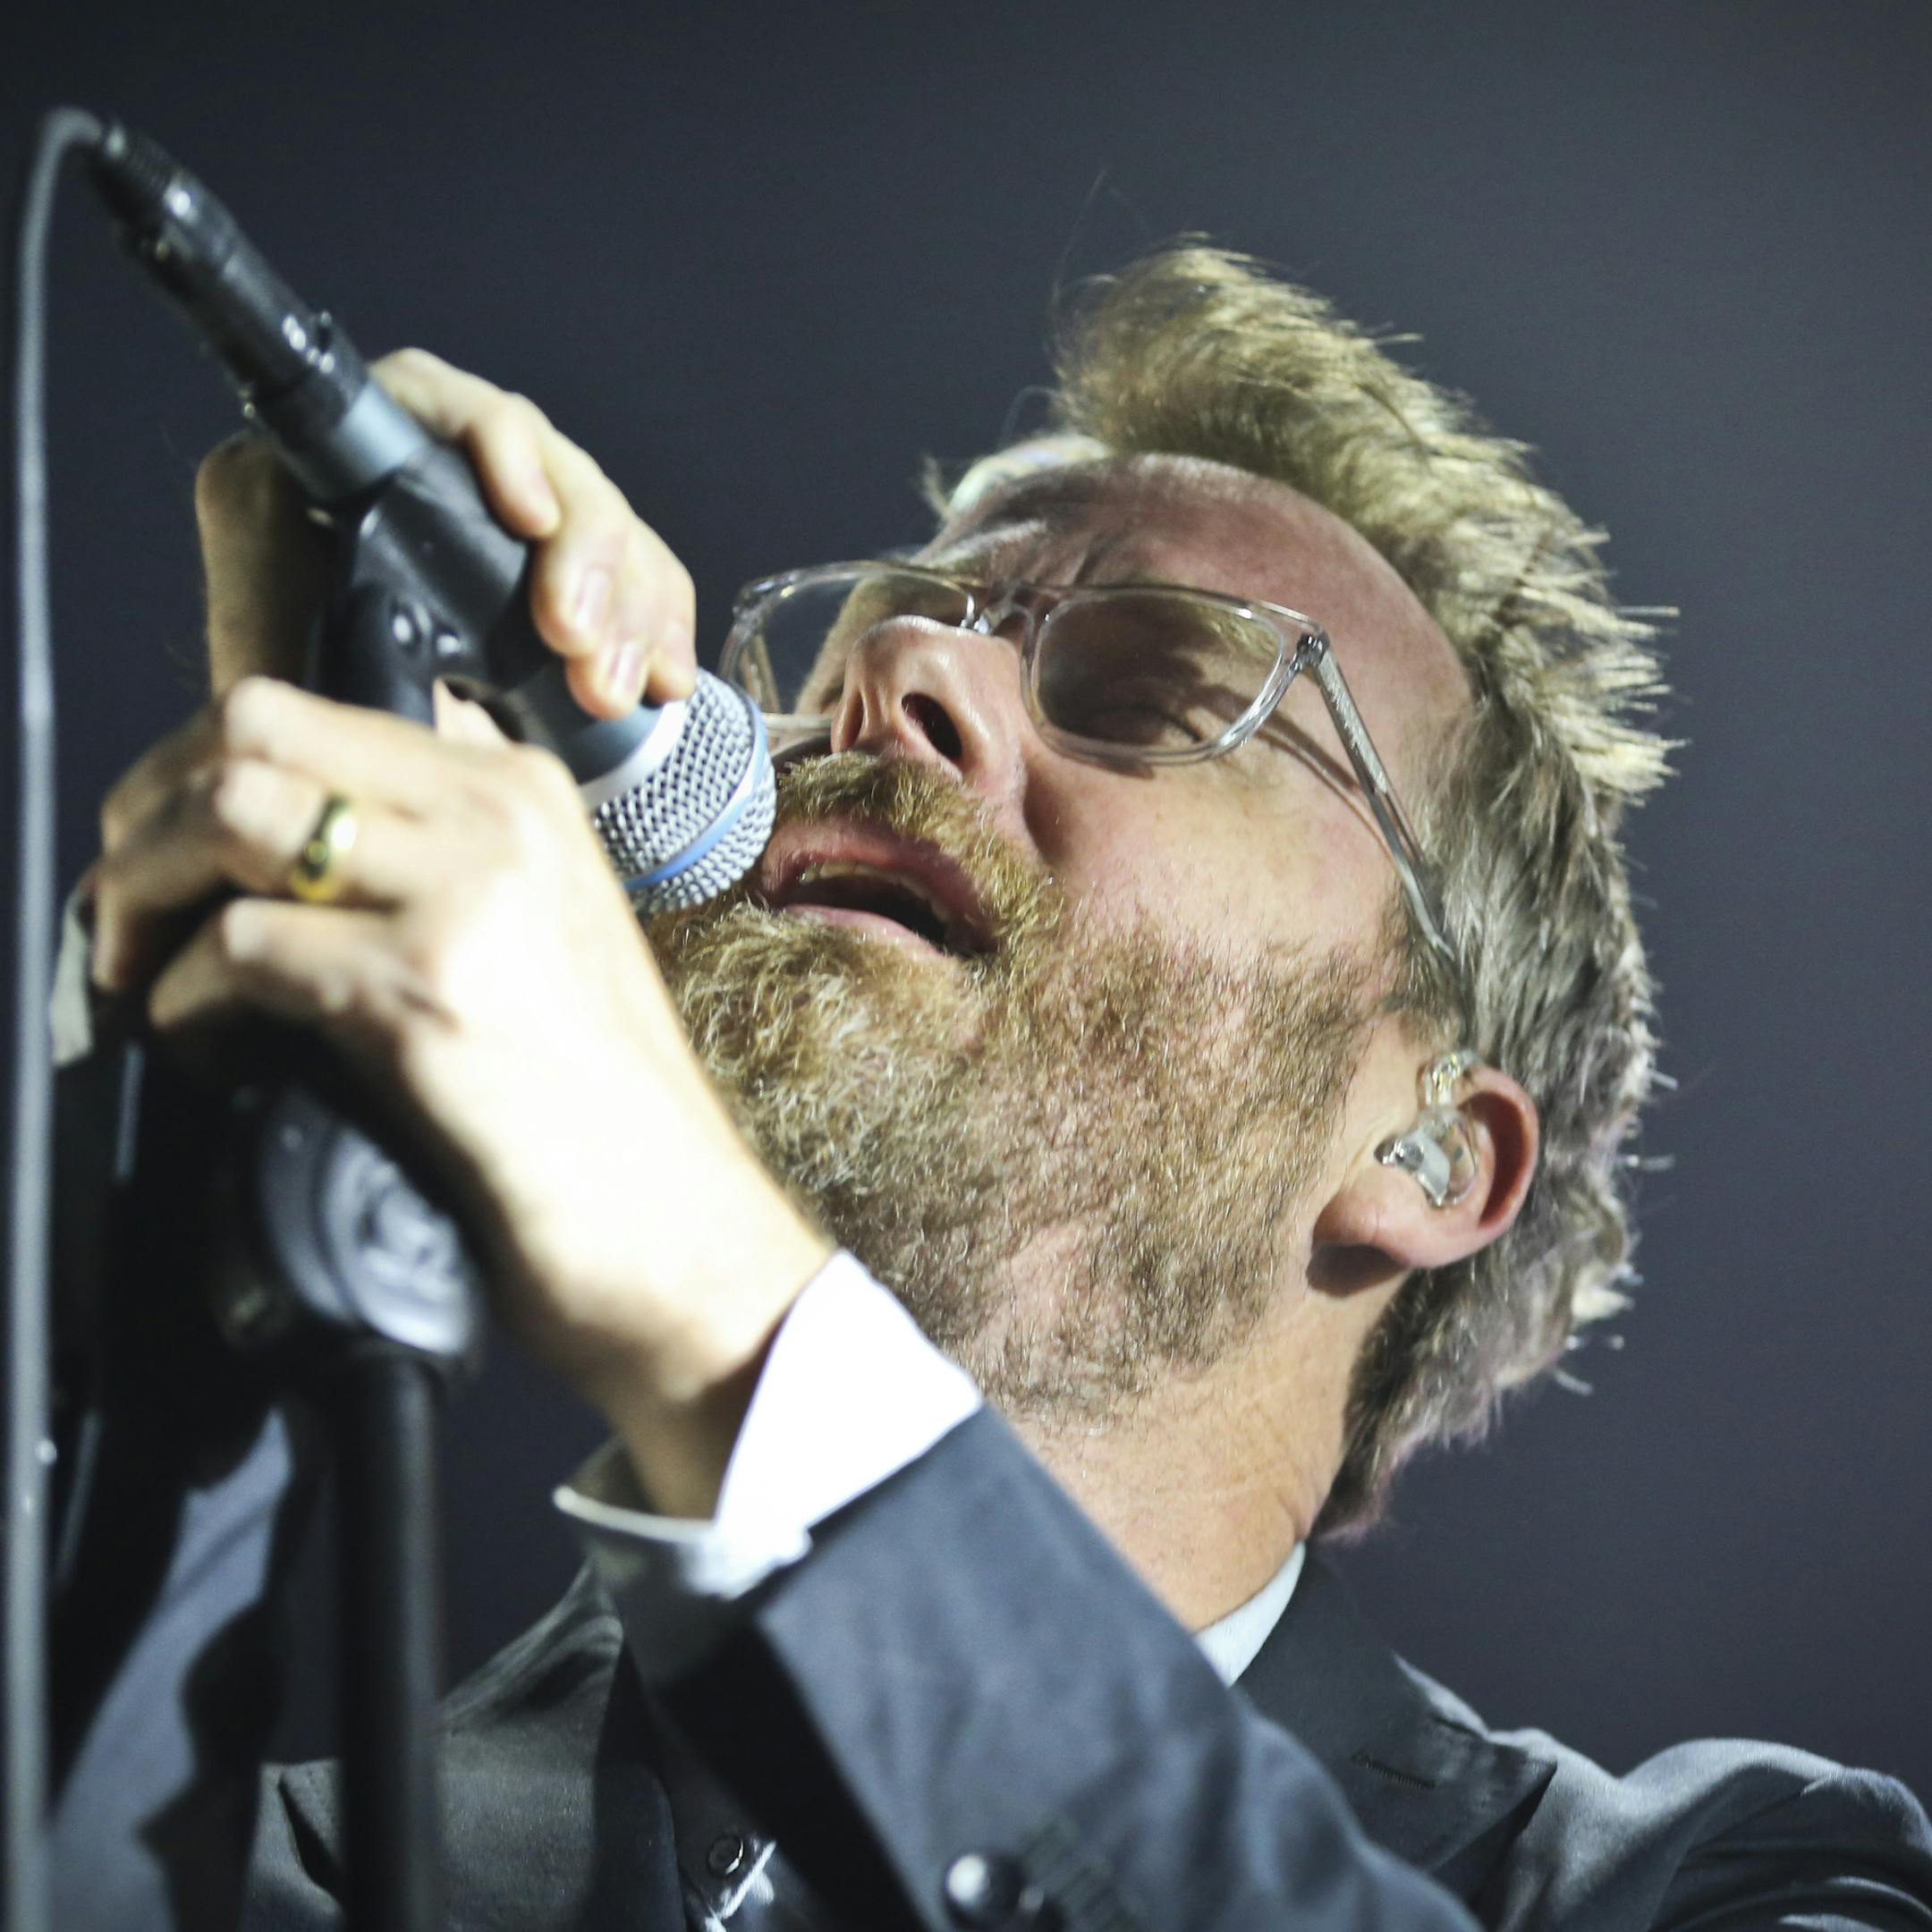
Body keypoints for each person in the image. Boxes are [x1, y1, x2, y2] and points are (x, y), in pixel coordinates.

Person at [72, 247, 1932, 1929]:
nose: (894, 669)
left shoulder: (1717, 1885)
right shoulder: (256, 1858)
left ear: (1434, 1145)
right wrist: (216, 1070)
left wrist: (731, 1318)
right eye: (872, 628)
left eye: (1141, 692)